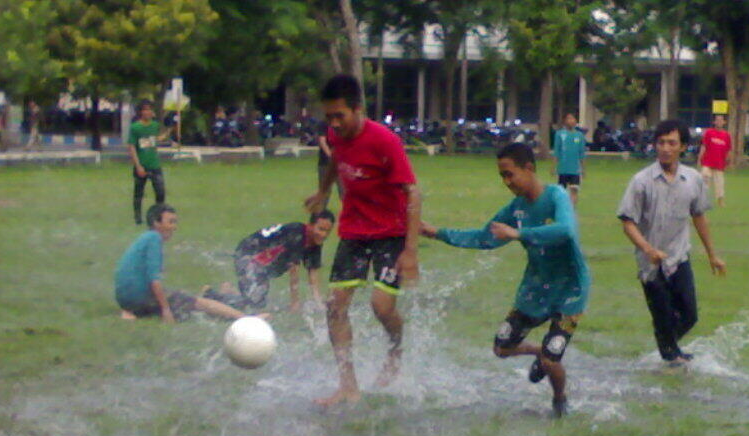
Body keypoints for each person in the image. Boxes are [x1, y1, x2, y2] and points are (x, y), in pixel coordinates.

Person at [422, 143, 590, 418]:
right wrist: (437, 233)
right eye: (502, 176)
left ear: (529, 169)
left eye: (510, 174)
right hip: (536, 289)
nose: (507, 182)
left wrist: (519, 235)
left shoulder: (556, 195)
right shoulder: (516, 209)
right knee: (502, 347)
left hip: (569, 290)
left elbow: (566, 231)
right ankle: (539, 352)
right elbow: (483, 237)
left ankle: (559, 400)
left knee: (552, 358)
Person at [304, 74, 421, 406]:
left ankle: (395, 350)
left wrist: (410, 251)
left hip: (390, 234)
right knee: (335, 307)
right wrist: (324, 191)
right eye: (328, 117)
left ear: (358, 109)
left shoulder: (384, 141)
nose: (334, 124)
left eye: (340, 115)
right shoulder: (335, 134)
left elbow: (413, 191)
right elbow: (335, 159)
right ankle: (347, 385)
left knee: (381, 307)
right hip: (354, 232)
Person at [617, 119, 727, 367]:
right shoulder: (641, 181)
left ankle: (666, 347)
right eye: (661, 142)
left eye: (672, 143)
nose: (665, 148)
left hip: (679, 258)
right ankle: (669, 356)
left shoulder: (694, 179)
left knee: (689, 316)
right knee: (664, 317)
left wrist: (712, 255)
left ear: (683, 147)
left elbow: (699, 217)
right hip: (650, 265)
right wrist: (648, 249)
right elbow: (627, 222)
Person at [115, 204, 255, 323]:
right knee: (197, 304)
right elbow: (154, 281)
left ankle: (219, 294)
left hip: (127, 301)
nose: (174, 227)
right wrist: (166, 309)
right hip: (139, 299)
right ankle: (246, 319)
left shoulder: (145, 238)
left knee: (187, 306)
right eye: (170, 222)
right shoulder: (154, 239)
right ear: (156, 223)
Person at [202, 211, 335, 313]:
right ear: (310, 225)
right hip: (249, 255)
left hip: (261, 265)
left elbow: (313, 274)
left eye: (327, 231)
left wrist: (319, 302)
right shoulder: (298, 233)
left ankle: (229, 291)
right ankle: (210, 295)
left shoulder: (315, 242)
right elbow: (294, 269)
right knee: (254, 304)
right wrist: (295, 302)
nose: (323, 234)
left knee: (256, 301)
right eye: (320, 229)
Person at [128, 100, 167, 226]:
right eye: (145, 110)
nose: (147, 112)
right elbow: (132, 146)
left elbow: (153, 141)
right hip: (142, 164)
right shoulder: (135, 127)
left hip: (154, 164)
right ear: (140, 112)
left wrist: (168, 134)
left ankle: (157, 215)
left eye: (149, 109)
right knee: (139, 192)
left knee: (160, 192)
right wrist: (138, 165)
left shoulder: (155, 125)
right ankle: (137, 216)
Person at [552, 113, 587, 206]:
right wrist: (554, 167)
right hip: (563, 169)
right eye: (569, 118)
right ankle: (562, 209)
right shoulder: (559, 134)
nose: (571, 121)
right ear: (565, 121)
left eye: (573, 119)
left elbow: (582, 153)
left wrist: (583, 169)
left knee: (574, 190)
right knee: (561, 192)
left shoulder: (579, 135)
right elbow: (557, 151)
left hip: (575, 169)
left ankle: (571, 210)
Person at [698, 113, 732, 207]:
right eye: (717, 120)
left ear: (724, 122)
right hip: (707, 162)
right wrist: (700, 157)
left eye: (721, 120)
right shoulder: (709, 132)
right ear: (714, 122)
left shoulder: (726, 135)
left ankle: (720, 201)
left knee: (719, 183)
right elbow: (704, 146)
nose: (719, 122)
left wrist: (728, 161)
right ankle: (703, 200)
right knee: (704, 179)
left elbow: (728, 150)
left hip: (719, 163)